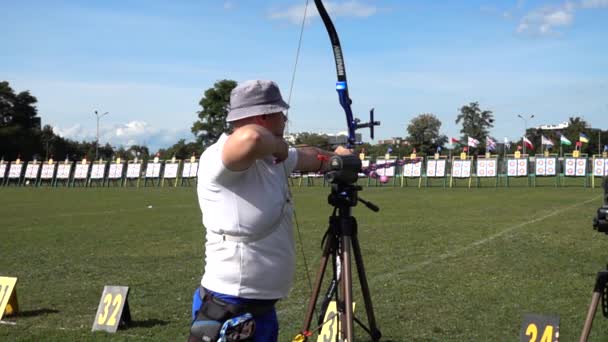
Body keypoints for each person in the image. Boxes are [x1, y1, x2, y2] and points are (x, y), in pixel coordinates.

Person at [189, 80, 351, 341]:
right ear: (263, 115)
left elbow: (309, 156)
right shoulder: (219, 156)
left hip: (261, 308)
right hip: (230, 306)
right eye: (279, 113)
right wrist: (279, 147)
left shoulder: (272, 158)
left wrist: (338, 158)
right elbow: (250, 137)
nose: (285, 119)